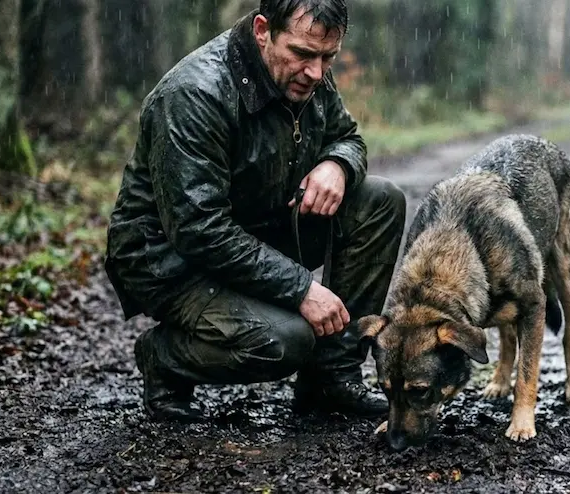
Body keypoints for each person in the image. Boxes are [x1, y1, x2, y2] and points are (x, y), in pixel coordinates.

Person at [104, 0, 406, 422]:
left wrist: (337, 164)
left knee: (380, 201)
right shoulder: (195, 94)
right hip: (169, 259)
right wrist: (301, 288)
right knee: (284, 341)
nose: (316, 73)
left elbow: (348, 137)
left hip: (256, 228)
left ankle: (330, 379)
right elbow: (198, 229)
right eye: (302, 54)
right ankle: (163, 358)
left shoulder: (308, 74)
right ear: (263, 30)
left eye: (328, 57)